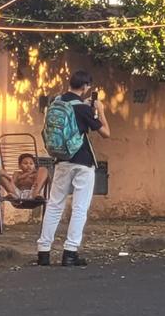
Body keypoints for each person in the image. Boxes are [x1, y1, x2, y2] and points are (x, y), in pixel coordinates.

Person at [36, 71, 110, 268]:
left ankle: (43, 252)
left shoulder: (56, 103)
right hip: (82, 161)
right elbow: (106, 133)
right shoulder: (84, 109)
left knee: (54, 205)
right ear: (85, 86)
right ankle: (70, 252)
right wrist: (100, 110)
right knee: (79, 207)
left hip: (61, 159)